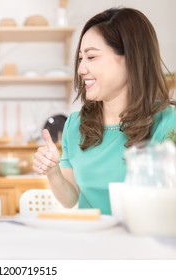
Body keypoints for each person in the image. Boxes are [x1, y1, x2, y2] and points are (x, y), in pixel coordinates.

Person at [32, 7, 176, 215]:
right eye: (81, 59)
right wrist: (53, 172)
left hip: (143, 243)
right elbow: (71, 198)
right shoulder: (75, 125)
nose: (81, 69)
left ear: (130, 57)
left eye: (91, 57)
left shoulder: (167, 123)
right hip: (92, 243)